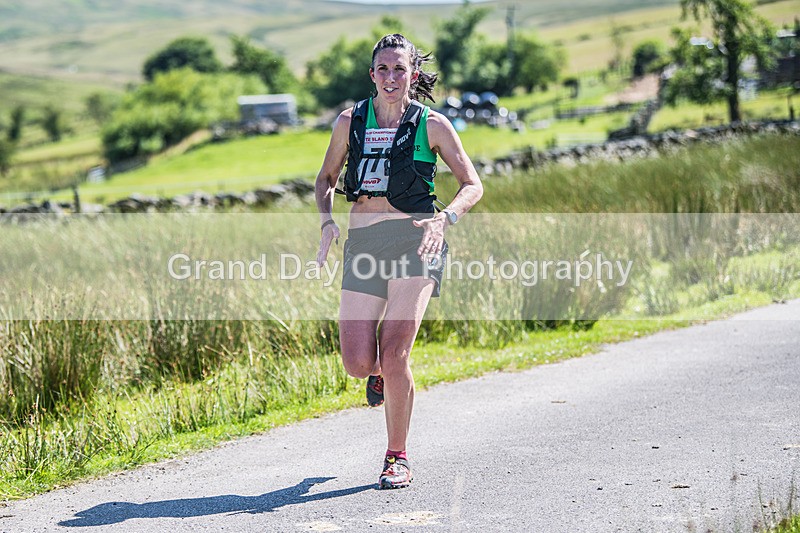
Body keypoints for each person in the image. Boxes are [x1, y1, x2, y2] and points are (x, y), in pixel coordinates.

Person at [315, 33, 483, 489]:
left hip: (417, 241)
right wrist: (327, 222)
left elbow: (472, 184)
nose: (391, 78)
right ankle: (379, 377)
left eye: (400, 69)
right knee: (357, 361)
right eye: (383, 69)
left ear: (413, 74)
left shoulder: (433, 125)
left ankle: (397, 457)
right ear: (372, 74)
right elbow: (327, 177)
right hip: (365, 244)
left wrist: (444, 219)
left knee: (395, 352)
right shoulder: (351, 122)